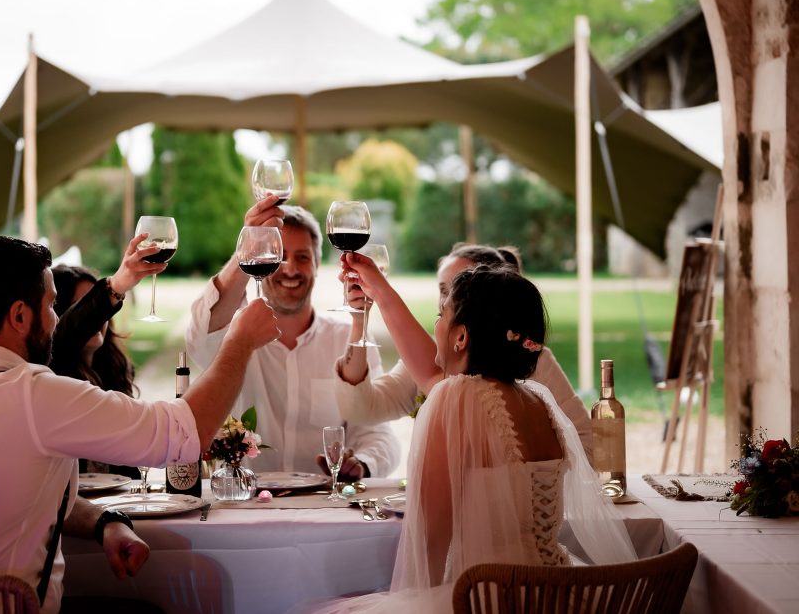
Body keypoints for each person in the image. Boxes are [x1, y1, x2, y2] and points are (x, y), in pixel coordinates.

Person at [0, 236, 279, 614]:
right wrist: (240, 342)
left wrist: (103, 522)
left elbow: (17, 497)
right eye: (51, 305)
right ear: (19, 316)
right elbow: (182, 434)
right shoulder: (32, 394)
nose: (58, 318)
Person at [298, 267, 636, 614]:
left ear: (461, 337)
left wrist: (417, 603)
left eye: (440, 314)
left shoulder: (455, 398)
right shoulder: (540, 401)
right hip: (555, 595)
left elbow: (430, 538)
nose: (436, 325)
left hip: (486, 599)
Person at [185, 195, 399, 480]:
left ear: (318, 264)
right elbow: (200, 335)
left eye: (302, 257)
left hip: (324, 507)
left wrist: (362, 463)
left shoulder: (348, 336)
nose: (290, 268)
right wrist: (246, 250)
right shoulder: (235, 336)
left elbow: (378, 432)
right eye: (279, 255)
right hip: (244, 505)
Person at [335, 243, 593, 458]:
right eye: (442, 291)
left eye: (452, 296)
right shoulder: (534, 400)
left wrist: (380, 291)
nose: (441, 304)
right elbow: (363, 408)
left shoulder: (455, 395)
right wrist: (362, 316)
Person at [50, 235, 161, 477]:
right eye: (83, 307)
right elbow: (62, 337)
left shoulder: (113, 369)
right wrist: (115, 286)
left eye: (101, 308)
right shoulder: (51, 372)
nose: (97, 317)